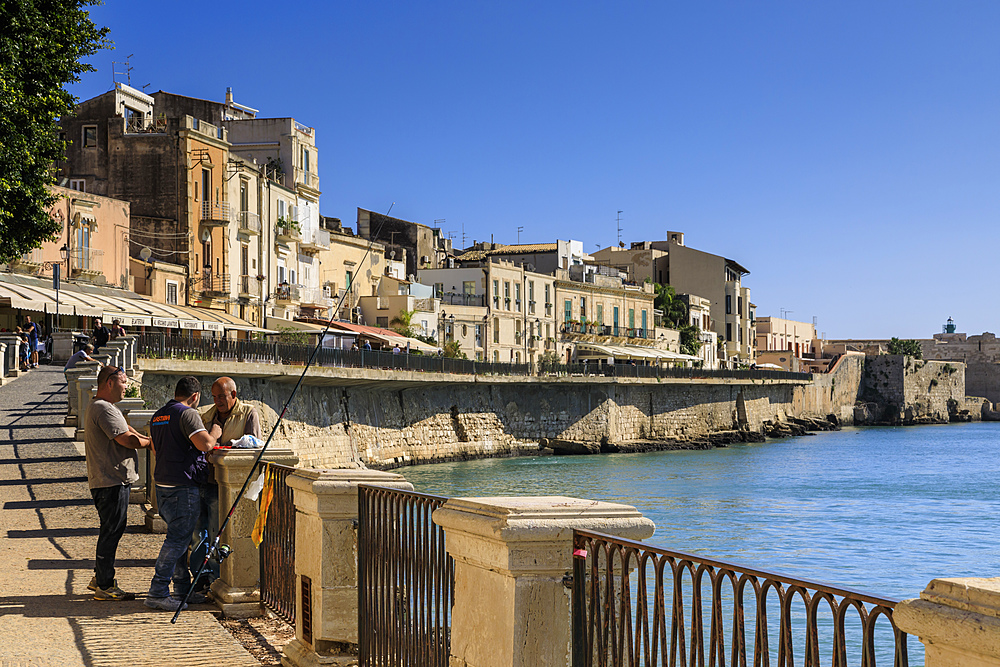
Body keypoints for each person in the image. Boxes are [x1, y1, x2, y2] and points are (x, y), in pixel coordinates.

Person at [145, 376, 218, 611]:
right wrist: (214, 432)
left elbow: (154, 448)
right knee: (177, 540)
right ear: (195, 396)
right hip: (183, 486)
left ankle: (182, 589)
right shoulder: (188, 414)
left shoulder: (159, 415)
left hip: (162, 484)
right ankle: (157, 591)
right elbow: (205, 445)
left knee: (179, 538)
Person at [84, 365, 153, 600]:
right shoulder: (103, 408)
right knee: (111, 531)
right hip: (110, 481)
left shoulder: (106, 407)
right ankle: (104, 584)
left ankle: (100, 577)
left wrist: (147, 438)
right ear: (110, 383)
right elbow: (127, 438)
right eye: (124, 382)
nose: (127, 387)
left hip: (109, 480)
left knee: (111, 529)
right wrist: (150, 444)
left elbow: (129, 429)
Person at [191, 377, 262, 592]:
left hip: (227, 485)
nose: (218, 401)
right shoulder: (207, 415)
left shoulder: (249, 413)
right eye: (214, 397)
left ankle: (214, 577)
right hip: (205, 479)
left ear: (234, 394)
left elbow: (254, 448)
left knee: (217, 533)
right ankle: (198, 577)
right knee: (198, 532)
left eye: (221, 396)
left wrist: (224, 448)